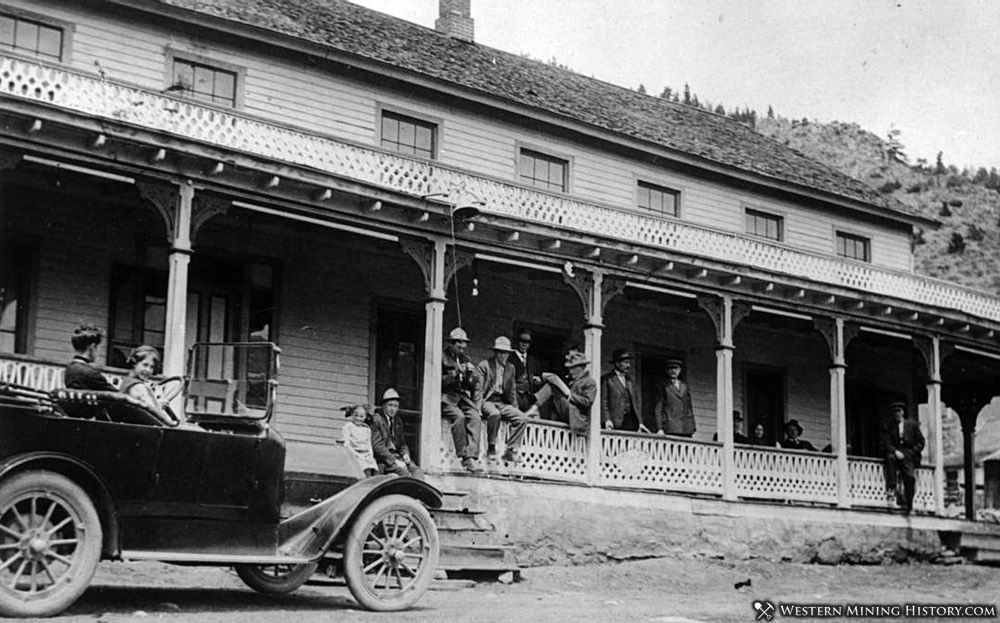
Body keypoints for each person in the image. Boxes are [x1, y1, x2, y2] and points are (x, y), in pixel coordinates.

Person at [476, 336, 529, 463]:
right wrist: (477, 407)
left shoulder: (510, 368)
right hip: (488, 401)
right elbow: (478, 389)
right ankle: (491, 447)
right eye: (501, 353)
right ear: (495, 353)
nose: (503, 356)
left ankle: (510, 450)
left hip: (502, 402)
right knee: (495, 414)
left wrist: (515, 408)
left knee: (522, 418)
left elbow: (511, 391)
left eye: (506, 353)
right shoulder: (485, 365)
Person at [442, 327, 484, 473]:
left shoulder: (466, 359)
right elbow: (438, 381)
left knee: (475, 417)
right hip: (446, 397)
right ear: (452, 343)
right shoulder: (442, 356)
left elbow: (469, 385)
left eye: (464, 345)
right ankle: (464, 457)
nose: (462, 348)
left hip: (462, 398)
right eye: (458, 344)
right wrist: (455, 373)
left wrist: (470, 376)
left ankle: (472, 456)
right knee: (459, 417)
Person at [525, 350, 596, 436]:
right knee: (552, 389)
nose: (570, 371)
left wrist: (570, 394)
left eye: (572, 368)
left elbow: (588, 402)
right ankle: (537, 413)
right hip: (567, 412)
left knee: (552, 387)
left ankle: (533, 410)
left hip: (576, 416)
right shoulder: (571, 380)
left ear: (581, 367)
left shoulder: (589, 382)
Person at [881, 400, 925, 514]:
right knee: (890, 458)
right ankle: (892, 488)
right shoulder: (889, 426)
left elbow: (921, 441)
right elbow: (886, 442)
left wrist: (912, 451)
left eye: (899, 411)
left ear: (903, 412)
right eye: (895, 412)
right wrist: (895, 451)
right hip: (896, 453)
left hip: (909, 454)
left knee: (909, 478)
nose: (897, 414)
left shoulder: (912, 425)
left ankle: (909, 504)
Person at [370, 388, 424, 479]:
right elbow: (377, 447)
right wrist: (394, 460)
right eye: (390, 405)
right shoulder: (376, 420)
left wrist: (406, 455)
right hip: (384, 460)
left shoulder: (398, 421)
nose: (393, 409)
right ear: (384, 406)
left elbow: (402, 443)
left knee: (417, 471)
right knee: (405, 475)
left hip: (398, 457)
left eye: (395, 406)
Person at [120, 345, 171, 421]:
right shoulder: (138, 386)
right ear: (134, 363)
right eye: (145, 365)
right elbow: (157, 415)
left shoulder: (127, 381)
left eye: (152, 367)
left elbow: (146, 408)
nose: (148, 370)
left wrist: (158, 404)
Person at [601, 349, 646, 432]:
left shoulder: (630, 380)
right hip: (615, 422)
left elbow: (636, 404)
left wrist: (640, 422)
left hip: (631, 422)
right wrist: (607, 419)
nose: (628, 365)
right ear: (617, 364)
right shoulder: (607, 379)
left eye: (629, 363)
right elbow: (604, 402)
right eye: (625, 363)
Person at [65, 323, 117, 391]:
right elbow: (116, 396)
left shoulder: (69, 368)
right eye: (98, 348)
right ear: (93, 347)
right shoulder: (92, 374)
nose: (98, 352)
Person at [653, 358, 695, 437]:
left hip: (686, 427)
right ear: (667, 371)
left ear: (680, 370)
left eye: (675, 368)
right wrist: (659, 428)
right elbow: (658, 407)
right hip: (671, 426)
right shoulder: (663, 386)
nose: (673, 371)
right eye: (670, 368)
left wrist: (692, 426)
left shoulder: (684, 386)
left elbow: (689, 407)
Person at [510, 328, 544, 412]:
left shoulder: (533, 361)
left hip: (529, 398)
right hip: (514, 396)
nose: (524, 344)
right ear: (516, 341)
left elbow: (539, 379)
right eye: (521, 341)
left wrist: (538, 380)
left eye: (527, 342)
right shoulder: (509, 358)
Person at [342, 404, 379, 477]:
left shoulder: (366, 429)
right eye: (356, 415)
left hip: (366, 455)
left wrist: (370, 456)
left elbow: (369, 445)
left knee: (375, 471)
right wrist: (358, 455)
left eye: (361, 416)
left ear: (365, 417)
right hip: (354, 454)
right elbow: (347, 444)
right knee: (365, 471)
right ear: (352, 415)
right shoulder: (349, 427)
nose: (358, 418)